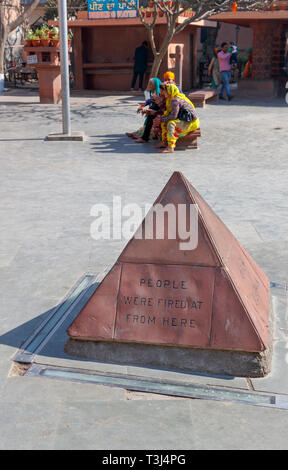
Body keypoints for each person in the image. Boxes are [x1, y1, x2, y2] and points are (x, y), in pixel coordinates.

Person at [157, 83, 200, 154]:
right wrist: (161, 118)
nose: (163, 93)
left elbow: (173, 116)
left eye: (165, 91)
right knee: (164, 121)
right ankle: (165, 142)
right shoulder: (170, 99)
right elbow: (169, 114)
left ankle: (171, 147)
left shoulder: (175, 100)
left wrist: (161, 119)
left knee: (171, 124)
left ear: (169, 91)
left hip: (191, 122)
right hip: (184, 119)